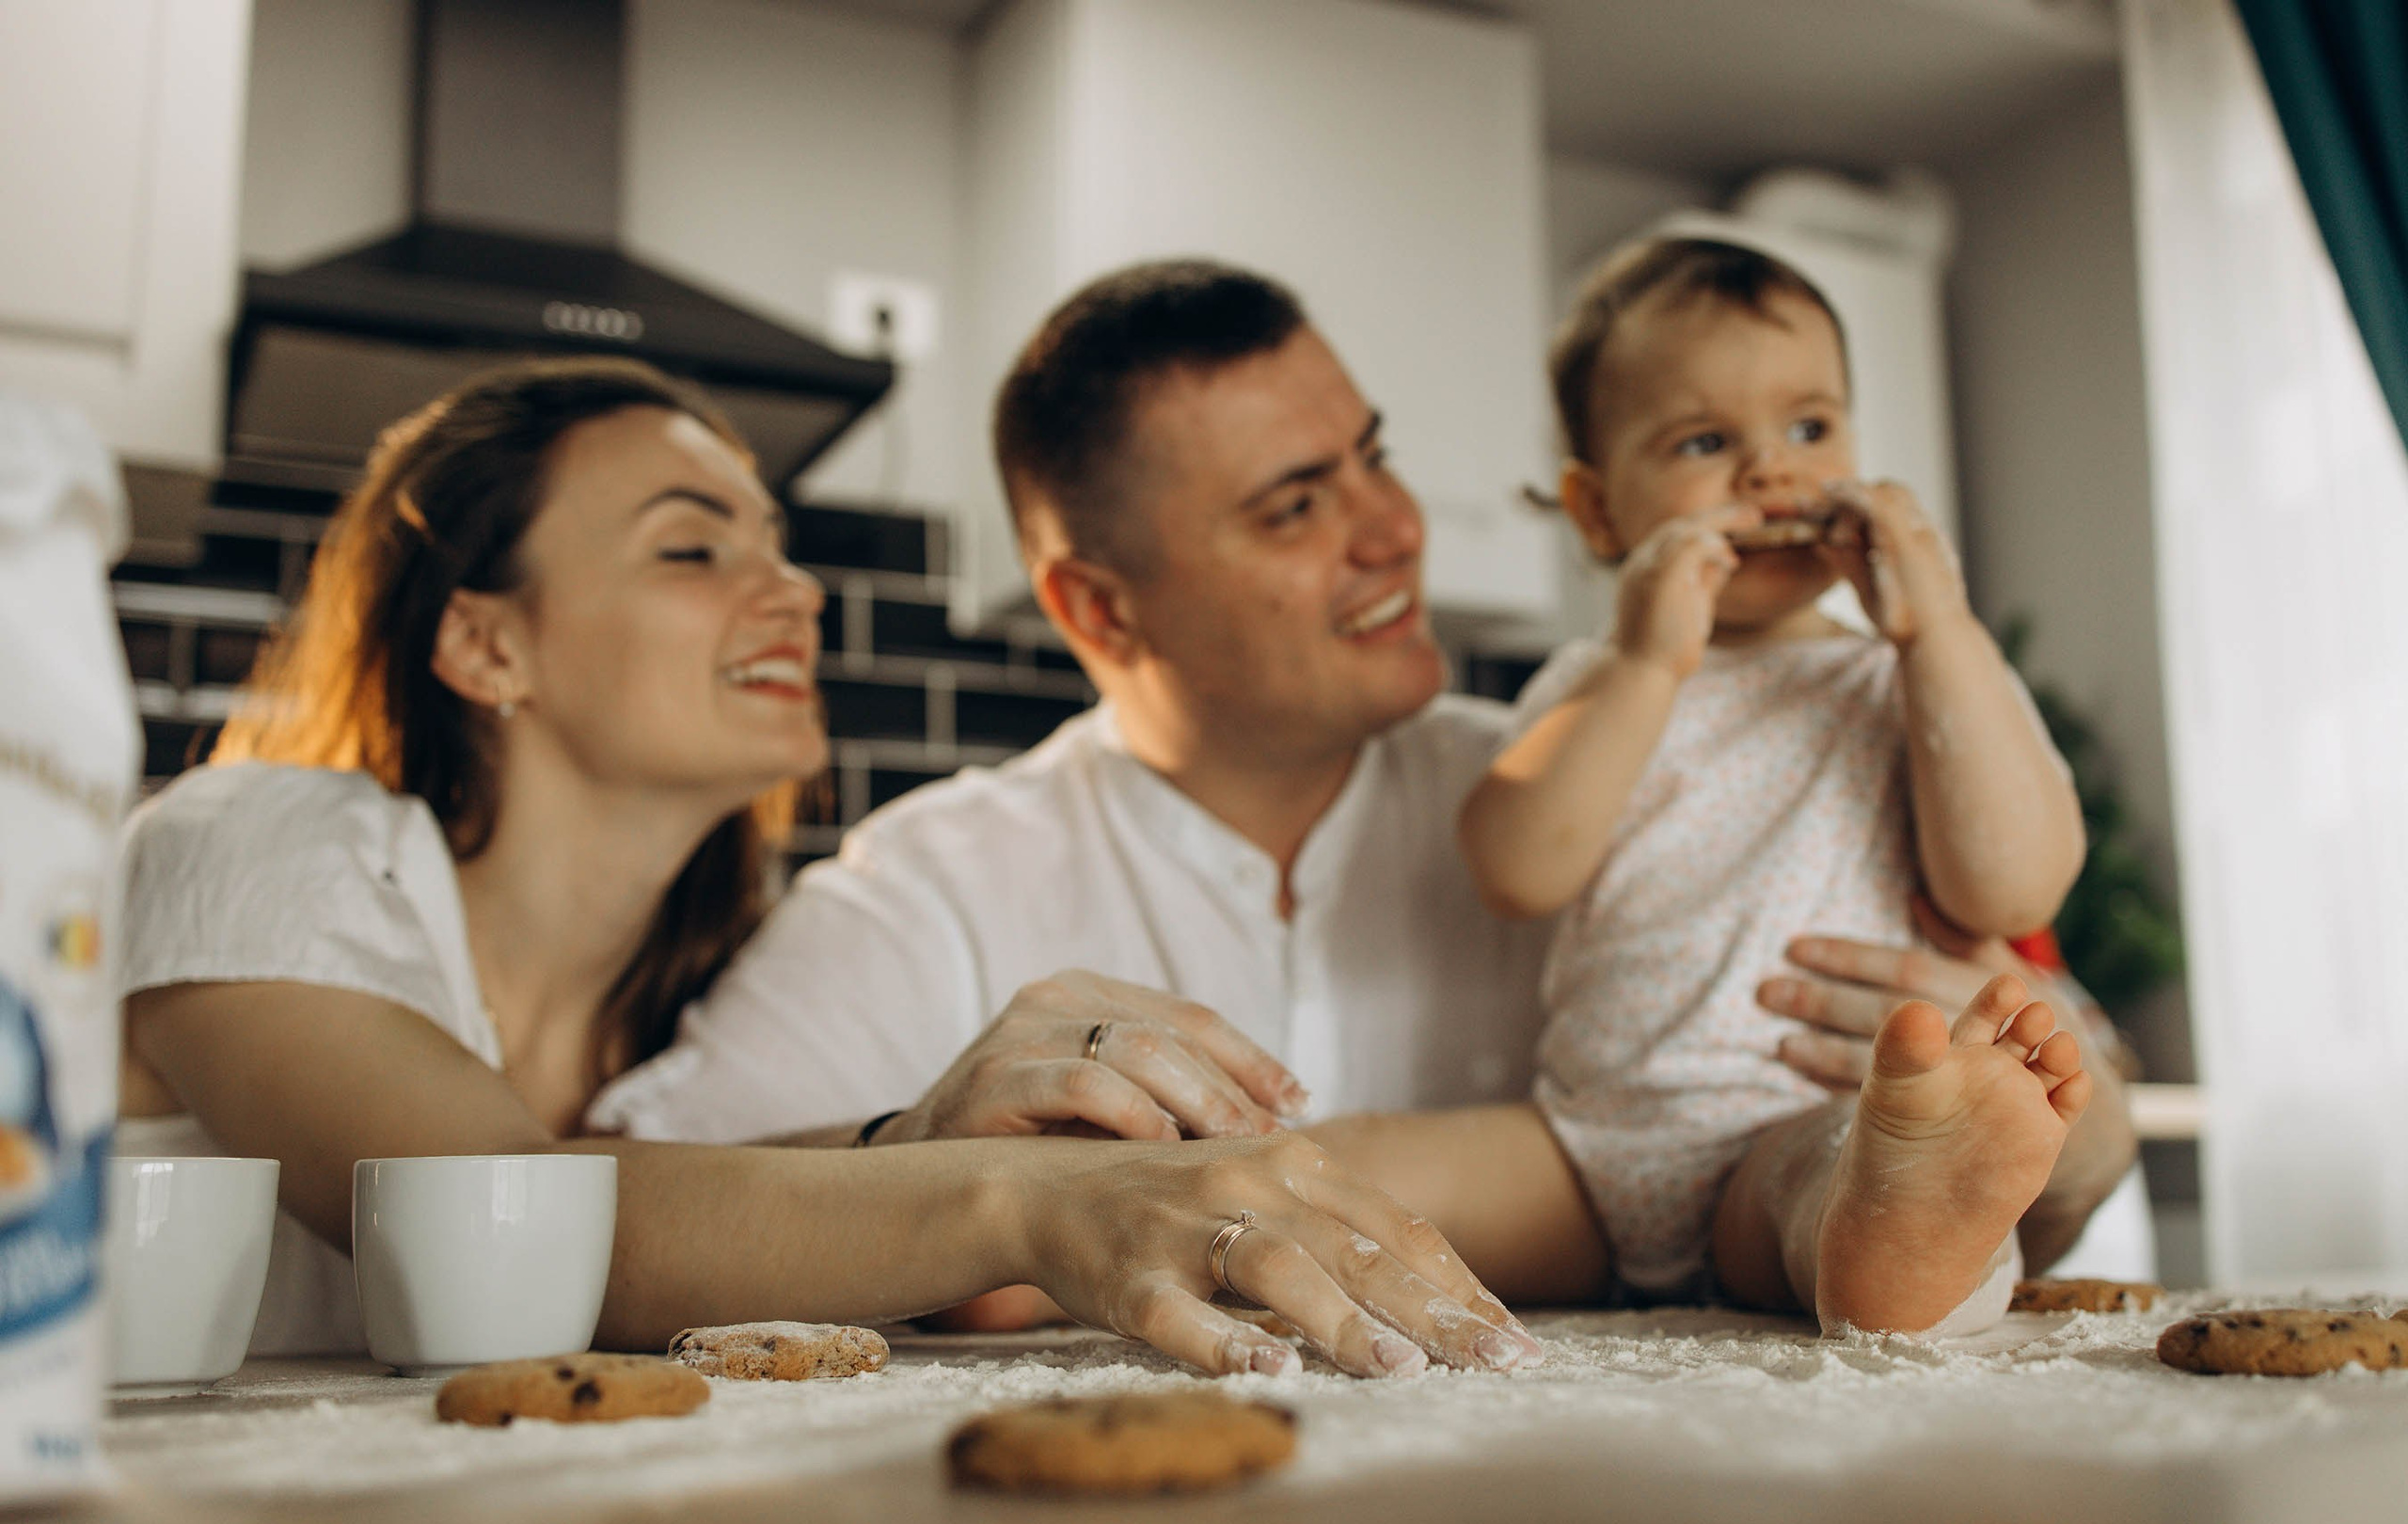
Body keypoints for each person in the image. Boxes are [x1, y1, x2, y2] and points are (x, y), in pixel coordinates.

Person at [591, 260, 2138, 1312]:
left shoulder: (1606, 780)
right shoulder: (934, 883)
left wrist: (2071, 1103)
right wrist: (937, 1161)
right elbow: (603, 1214)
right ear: (1098, 609)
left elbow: (2028, 1014)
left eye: (1375, 458)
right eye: (1295, 505)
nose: (1396, 529)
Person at [110, 356, 1541, 1381]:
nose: (790, 590)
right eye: (692, 550)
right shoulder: (252, 842)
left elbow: (671, 1207)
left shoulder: (667, 1003)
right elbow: (507, 1211)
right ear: (487, 645)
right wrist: (1019, 1198)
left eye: (779, 547)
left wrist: (911, 1141)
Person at [1458, 236, 2093, 1331]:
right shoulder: (1595, 684)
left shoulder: (1904, 680)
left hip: (1799, 1123)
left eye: (1809, 428)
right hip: (1585, 1149)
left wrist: (1938, 629)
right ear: (1598, 511)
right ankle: (1152, 1225)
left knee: (1844, 1187)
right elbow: (1515, 870)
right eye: (1705, 442)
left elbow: (2014, 887)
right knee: (1345, 1175)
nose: (1770, 472)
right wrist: (1646, 663)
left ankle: (1906, 1244)